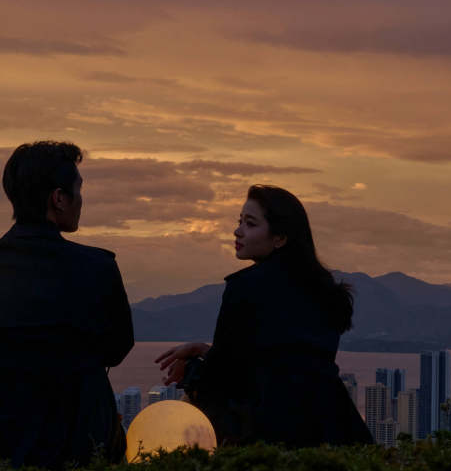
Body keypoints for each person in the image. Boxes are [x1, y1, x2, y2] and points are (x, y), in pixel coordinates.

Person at [0, 141, 134, 468]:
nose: (81, 200)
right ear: (58, 198)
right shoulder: (99, 268)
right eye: (78, 190)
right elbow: (118, 348)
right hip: (82, 452)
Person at [155, 185, 373, 447]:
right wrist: (204, 350)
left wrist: (192, 370)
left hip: (271, 434)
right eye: (240, 222)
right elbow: (279, 358)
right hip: (333, 426)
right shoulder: (322, 287)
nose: (238, 231)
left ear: (280, 238)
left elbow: (225, 377)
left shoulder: (246, 286)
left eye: (250, 224)